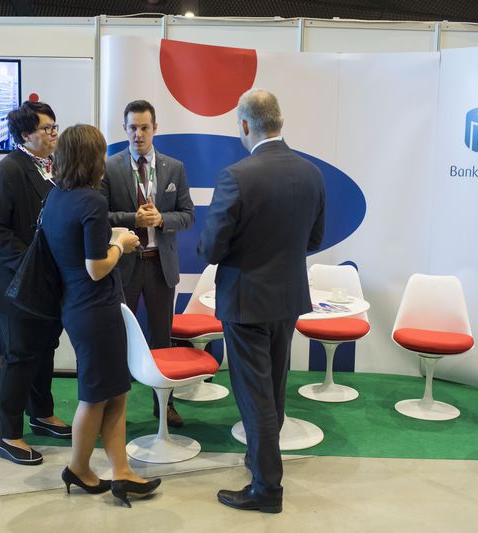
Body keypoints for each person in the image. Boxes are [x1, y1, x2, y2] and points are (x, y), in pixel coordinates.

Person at [198, 89, 326, 513]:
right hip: (287, 298)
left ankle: (267, 488)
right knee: (273, 388)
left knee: (254, 396)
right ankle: (260, 462)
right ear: (280, 121)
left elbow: (211, 248)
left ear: (244, 124)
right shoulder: (311, 173)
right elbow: (314, 239)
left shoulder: (237, 176)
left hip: (246, 300)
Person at [42, 124, 161, 507]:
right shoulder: (91, 202)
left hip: (75, 306)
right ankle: (79, 467)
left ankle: (120, 471)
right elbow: (96, 267)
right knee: (98, 396)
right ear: (92, 159)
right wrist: (121, 244)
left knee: (112, 392)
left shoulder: (56, 197)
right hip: (97, 307)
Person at [0, 100, 72, 466]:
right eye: (47, 128)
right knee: (19, 356)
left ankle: (41, 413)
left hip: (44, 281)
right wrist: (28, 262)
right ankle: (9, 434)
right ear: (25, 134)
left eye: (54, 126)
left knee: (44, 348)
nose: (53, 133)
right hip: (15, 284)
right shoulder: (8, 170)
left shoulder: (52, 166)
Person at [101, 100, 195, 428]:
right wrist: (133, 218)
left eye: (144, 127)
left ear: (156, 128)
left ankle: (164, 406)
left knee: (161, 338)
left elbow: (188, 215)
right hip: (123, 264)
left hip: (159, 265)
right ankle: (115, 410)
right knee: (119, 338)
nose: (138, 134)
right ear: (124, 129)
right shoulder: (110, 167)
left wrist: (162, 219)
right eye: (133, 128)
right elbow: (100, 215)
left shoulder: (174, 168)